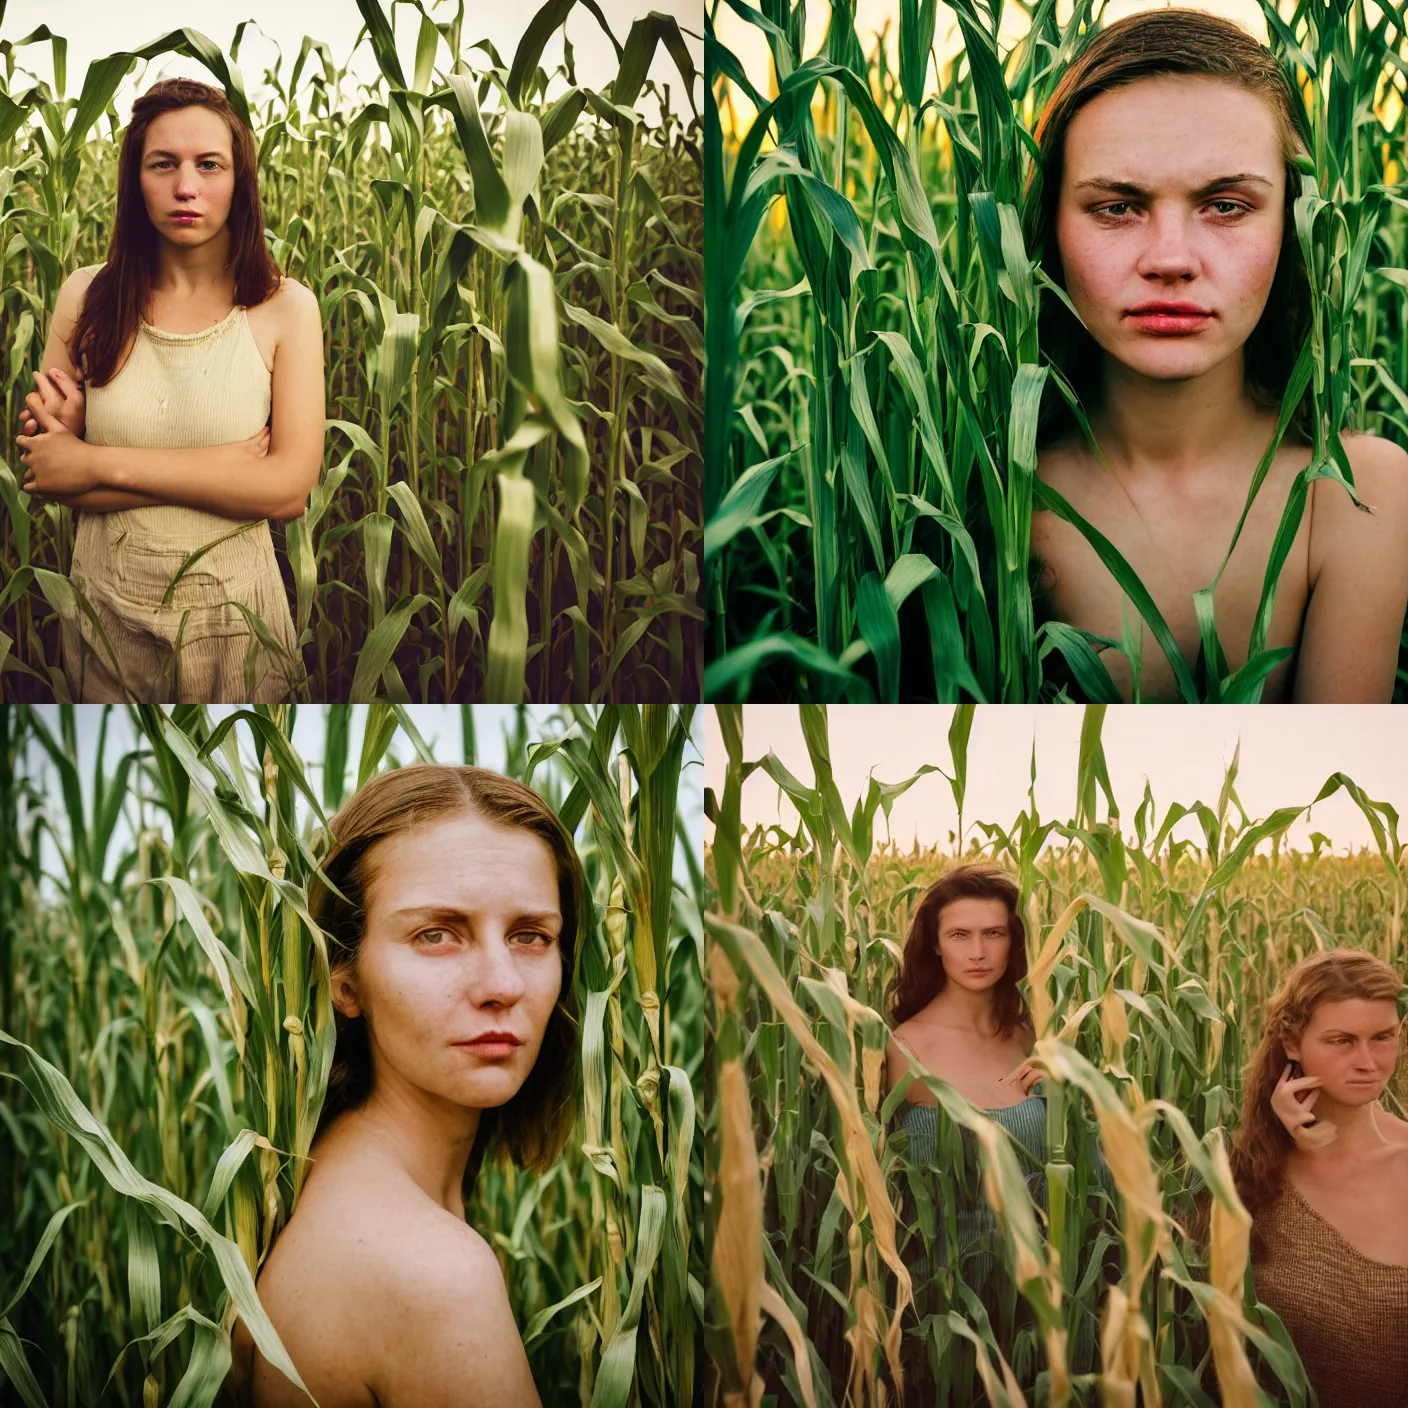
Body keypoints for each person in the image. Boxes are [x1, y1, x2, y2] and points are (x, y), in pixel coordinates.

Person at [1026, 9, 1408, 702]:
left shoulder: (1356, 495)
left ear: (1294, 223)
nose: (1170, 260)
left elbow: (1337, 795)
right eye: (1116, 207)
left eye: (1227, 206)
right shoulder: (988, 494)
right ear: (1049, 224)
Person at [227, 764, 584, 1407]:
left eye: (531, 935)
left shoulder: (326, 1177)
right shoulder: (435, 1274)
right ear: (345, 978)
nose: (502, 984)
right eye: (437, 934)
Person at [13, 77, 324, 703]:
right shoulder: (86, 296)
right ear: (136, 178)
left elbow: (288, 490)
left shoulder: (284, 307)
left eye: (209, 165)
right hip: (105, 622)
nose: (186, 187)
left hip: (239, 629)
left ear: (240, 180)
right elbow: (46, 473)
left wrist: (94, 461)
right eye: (164, 164)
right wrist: (226, 471)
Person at [884, 862, 1109, 1350]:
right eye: (960, 934)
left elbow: (1096, 1180)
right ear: (935, 945)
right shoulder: (904, 1049)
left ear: (1014, 942)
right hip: (947, 1313)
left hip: (1046, 1303)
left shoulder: (1035, 1035)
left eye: (994, 933)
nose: (979, 952)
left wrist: (1071, 1097)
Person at [1229, 948, 1408, 1407]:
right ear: (1292, 1044)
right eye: (1341, 1041)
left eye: (1383, 1037)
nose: (1368, 1061)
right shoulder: (1248, 1170)